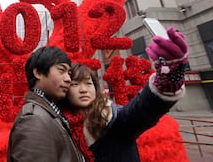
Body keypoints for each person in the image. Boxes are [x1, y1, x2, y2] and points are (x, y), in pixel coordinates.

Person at [64, 27, 188, 162]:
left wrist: (168, 79)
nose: (83, 89)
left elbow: (142, 109)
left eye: (88, 84)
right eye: (75, 84)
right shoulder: (58, 122)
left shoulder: (113, 118)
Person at [7, 46, 85, 162]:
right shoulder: (33, 120)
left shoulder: (48, 111)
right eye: (61, 70)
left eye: (69, 73)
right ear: (38, 72)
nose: (68, 79)